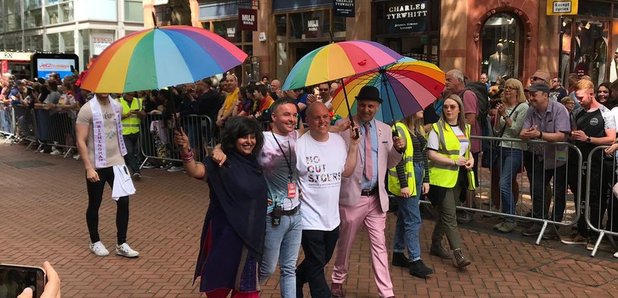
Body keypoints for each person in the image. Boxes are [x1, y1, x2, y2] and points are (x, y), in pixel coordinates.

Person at [175, 116, 267, 298]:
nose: (249, 141)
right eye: (244, 137)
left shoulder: (254, 162)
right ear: (233, 138)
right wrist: (186, 148)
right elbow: (195, 170)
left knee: (247, 291)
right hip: (225, 235)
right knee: (219, 287)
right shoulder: (221, 162)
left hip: (250, 238)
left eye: (252, 137)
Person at [331, 86, 405, 298]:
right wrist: (344, 134)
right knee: (345, 246)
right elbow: (338, 161)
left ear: (377, 107)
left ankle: (386, 292)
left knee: (380, 246)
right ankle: (337, 282)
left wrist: (398, 150)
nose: (366, 109)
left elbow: (389, 163)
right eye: (362, 105)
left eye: (371, 106)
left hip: (376, 198)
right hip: (352, 198)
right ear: (357, 104)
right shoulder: (343, 126)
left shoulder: (384, 129)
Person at [295, 102, 359, 298]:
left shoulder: (338, 140)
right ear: (307, 121)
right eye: (316, 117)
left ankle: (295, 279)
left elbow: (346, 172)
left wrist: (354, 146)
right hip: (309, 217)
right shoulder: (299, 145)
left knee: (322, 259)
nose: (322, 121)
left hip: (332, 218)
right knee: (316, 264)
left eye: (325, 116)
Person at [75, 93, 139, 258]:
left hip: (117, 161)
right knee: (95, 202)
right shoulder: (87, 109)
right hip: (96, 164)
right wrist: (89, 167)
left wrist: (124, 161)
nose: (104, 89)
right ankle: (95, 241)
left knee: (123, 201)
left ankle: (121, 243)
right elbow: (80, 140)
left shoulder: (117, 106)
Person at [562, 79, 616, 249]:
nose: (578, 101)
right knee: (580, 195)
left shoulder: (605, 113)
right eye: (577, 97)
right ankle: (582, 231)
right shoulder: (578, 112)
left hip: (598, 164)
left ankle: (594, 235)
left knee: (595, 198)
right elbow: (576, 132)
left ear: (591, 94)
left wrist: (589, 139)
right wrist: (572, 136)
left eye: (581, 97)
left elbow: (611, 138)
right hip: (578, 162)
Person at [425, 94, 473, 269]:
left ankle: (436, 244)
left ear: (459, 109)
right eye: (446, 107)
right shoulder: (437, 129)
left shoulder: (465, 128)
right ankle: (458, 253)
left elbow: (467, 151)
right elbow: (431, 153)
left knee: (447, 213)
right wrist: (454, 161)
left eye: (452, 107)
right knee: (450, 215)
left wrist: (470, 160)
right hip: (441, 179)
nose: (449, 110)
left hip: (458, 178)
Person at [388, 110, 433, 278]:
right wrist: (404, 184)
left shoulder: (417, 129)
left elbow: (423, 155)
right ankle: (415, 259)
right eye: (418, 107)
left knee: (404, 216)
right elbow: (398, 158)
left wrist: (426, 179)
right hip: (408, 178)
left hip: (418, 174)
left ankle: (398, 253)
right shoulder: (399, 128)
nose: (423, 109)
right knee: (413, 218)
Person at [491, 79, 529, 233]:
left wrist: (505, 115)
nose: (507, 91)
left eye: (511, 88)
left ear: (517, 91)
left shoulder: (523, 107)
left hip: (515, 149)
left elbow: (516, 130)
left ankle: (511, 218)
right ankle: (507, 216)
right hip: (502, 147)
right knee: (505, 183)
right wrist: (498, 117)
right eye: (506, 87)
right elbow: (496, 130)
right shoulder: (504, 106)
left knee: (504, 184)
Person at [119, 92, 145, 179]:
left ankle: (123, 169)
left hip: (135, 131)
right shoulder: (118, 101)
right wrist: (127, 115)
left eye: (132, 95)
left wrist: (139, 113)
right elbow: (115, 116)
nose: (131, 97)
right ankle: (136, 172)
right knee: (129, 152)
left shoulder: (138, 101)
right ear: (124, 94)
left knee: (132, 152)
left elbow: (144, 114)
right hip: (124, 132)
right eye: (129, 95)